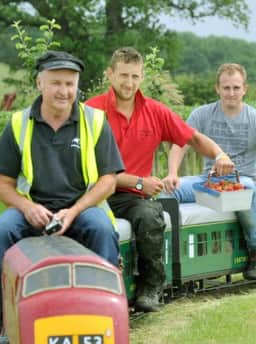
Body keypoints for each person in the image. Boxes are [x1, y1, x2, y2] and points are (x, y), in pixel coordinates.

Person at [0, 51, 125, 344]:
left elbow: (108, 180)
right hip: (31, 210)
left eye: (70, 84)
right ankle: (8, 324)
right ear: (39, 83)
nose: (64, 91)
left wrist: (74, 211)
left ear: (77, 86)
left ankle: (104, 322)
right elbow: (3, 186)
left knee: (102, 231)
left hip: (82, 209)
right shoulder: (19, 123)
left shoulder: (95, 121)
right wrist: (27, 207)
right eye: (56, 83)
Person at [86, 47, 234, 312]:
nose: (128, 83)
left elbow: (194, 138)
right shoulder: (91, 111)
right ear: (109, 74)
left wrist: (220, 154)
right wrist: (139, 181)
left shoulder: (155, 111)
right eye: (122, 76)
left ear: (142, 77)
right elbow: (87, 168)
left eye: (134, 76)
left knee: (150, 216)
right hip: (94, 194)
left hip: (133, 199)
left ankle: (151, 287)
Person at [163, 63, 256, 280]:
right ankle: (170, 256)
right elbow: (180, 144)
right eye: (226, 88)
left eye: (236, 88)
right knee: (164, 191)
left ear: (245, 89)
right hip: (208, 181)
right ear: (217, 89)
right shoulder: (201, 115)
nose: (231, 93)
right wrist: (172, 173)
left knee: (242, 190)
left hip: (245, 180)